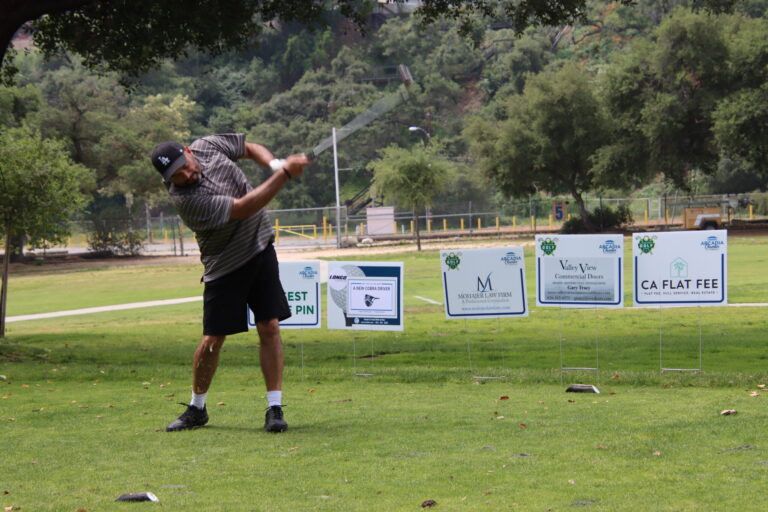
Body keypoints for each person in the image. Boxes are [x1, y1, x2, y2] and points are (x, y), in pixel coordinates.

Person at [150, 133, 309, 433]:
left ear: (188, 151)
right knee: (212, 340)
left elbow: (248, 147)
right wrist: (285, 174)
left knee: (270, 326)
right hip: (224, 266)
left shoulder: (208, 145)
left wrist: (274, 164)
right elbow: (244, 207)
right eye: (176, 175)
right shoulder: (185, 199)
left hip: (260, 248)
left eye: (184, 165)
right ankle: (197, 408)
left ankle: (274, 407)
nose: (185, 174)